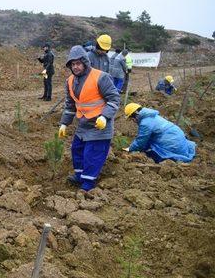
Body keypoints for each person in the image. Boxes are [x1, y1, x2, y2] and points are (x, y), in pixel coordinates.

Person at [58, 45, 120, 191]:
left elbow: (114, 99)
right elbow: (70, 105)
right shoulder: (70, 81)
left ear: (85, 62)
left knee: (92, 154)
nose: (75, 67)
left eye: (78, 63)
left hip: (100, 125)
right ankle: (80, 176)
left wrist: (105, 117)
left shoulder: (101, 77)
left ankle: (88, 183)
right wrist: (64, 124)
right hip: (84, 123)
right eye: (73, 64)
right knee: (77, 150)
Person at [123, 103, 196, 163]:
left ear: (135, 114)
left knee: (155, 154)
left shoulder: (145, 123)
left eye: (131, 118)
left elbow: (141, 140)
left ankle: (175, 159)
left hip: (172, 140)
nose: (133, 121)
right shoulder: (150, 116)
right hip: (177, 134)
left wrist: (130, 149)